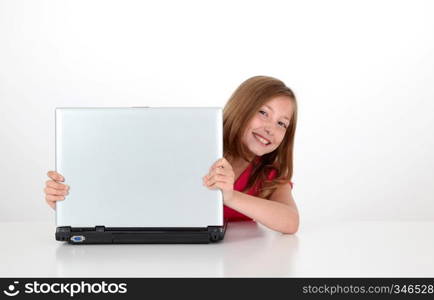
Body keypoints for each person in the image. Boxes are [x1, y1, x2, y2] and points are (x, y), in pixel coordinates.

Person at [44, 75, 299, 234]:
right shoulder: (194, 149)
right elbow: (134, 188)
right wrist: (71, 200)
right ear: (242, 109)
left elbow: (290, 222)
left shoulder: (269, 174)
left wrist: (230, 197)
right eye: (263, 113)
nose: (270, 128)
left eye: (282, 123)